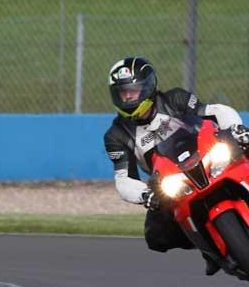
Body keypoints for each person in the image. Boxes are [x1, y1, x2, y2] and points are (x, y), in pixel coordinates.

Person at [103, 56, 249, 275]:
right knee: (156, 236)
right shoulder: (116, 135)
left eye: (133, 91)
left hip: (208, 156)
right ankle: (208, 250)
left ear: (148, 87)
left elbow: (216, 111)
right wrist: (146, 195)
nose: (128, 97)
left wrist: (236, 129)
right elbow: (124, 179)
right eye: (123, 93)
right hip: (170, 182)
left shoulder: (175, 99)